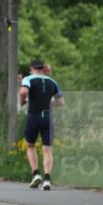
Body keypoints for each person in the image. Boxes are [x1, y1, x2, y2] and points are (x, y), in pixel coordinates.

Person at [20, 58, 64, 190]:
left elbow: (23, 92)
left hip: (34, 115)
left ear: (32, 68)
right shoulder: (52, 81)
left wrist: (23, 101)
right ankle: (47, 180)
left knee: (30, 145)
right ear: (42, 68)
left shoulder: (28, 79)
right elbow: (61, 102)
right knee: (47, 149)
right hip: (47, 116)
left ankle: (36, 174)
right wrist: (47, 103)